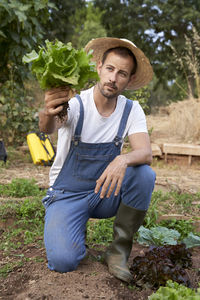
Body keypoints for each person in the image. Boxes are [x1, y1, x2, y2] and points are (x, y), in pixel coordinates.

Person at [39, 37, 156, 283]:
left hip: (103, 192)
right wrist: (46, 111)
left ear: (130, 79)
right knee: (63, 260)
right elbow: (48, 127)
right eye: (110, 69)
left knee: (144, 173)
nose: (113, 78)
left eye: (122, 73)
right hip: (67, 194)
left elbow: (145, 152)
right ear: (99, 67)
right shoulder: (76, 103)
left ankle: (118, 251)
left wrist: (122, 160)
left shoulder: (131, 110)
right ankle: (72, 228)